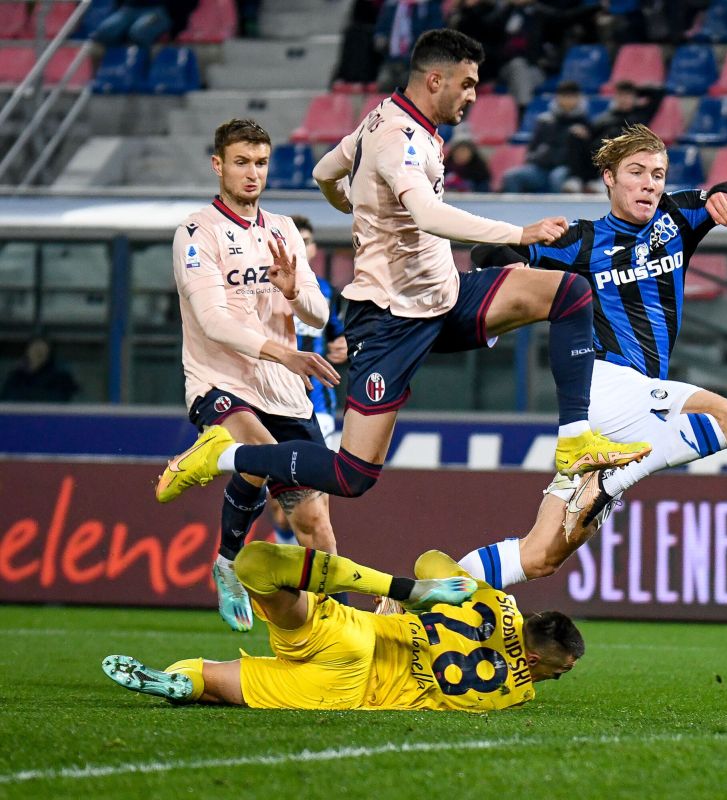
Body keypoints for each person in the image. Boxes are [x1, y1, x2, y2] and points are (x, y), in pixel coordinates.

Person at [155, 31, 650, 511]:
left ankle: (574, 439)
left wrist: (354, 205)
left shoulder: (381, 120)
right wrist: (520, 234)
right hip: (389, 319)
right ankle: (224, 455)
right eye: (468, 83)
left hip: (446, 297)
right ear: (435, 80)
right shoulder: (398, 137)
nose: (474, 96)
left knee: (570, 294)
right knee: (352, 476)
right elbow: (430, 217)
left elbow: (324, 171)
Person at [457, 124, 727, 589]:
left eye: (658, 174)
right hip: (607, 383)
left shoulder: (679, 216)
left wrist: (723, 194)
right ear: (608, 178)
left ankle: (414, 598)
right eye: (636, 172)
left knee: (538, 556)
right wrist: (508, 264)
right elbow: (487, 249)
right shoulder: (580, 241)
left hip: (625, 407)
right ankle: (610, 481)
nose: (649, 183)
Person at [169, 118, 343, 633]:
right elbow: (212, 321)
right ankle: (227, 562)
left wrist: (293, 290)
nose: (252, 173)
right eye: (241, 162)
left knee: (317, 529)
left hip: (286, 394)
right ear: (218, 165)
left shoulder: (284, 230)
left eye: (261, 163)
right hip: (220, 382)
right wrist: (284, 354)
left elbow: (316, 313)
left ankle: (326, 634)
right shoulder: (197, 233)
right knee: (259, 447)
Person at [101, 541, 582, 711]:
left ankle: (252, 576)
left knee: (264, 572)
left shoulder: (495, 603)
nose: (552, 680)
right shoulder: (516, 694)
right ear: (536, 659)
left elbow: (430, 559)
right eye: (558, 673)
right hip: (347, 691)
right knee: (209, 681)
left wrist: (465, 589)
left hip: (355, 631)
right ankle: (182, 681)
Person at [266, 215, 348, 548]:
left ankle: (312, 582)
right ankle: (286, 553)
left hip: (319, 409)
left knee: (317, 497)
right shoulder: (264, 287)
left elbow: (340, 342)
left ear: (312, 249)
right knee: (280, 503)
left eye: (308, 241)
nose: (304, 246)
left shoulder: (325, 293)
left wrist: (341, 348)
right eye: (296, 239)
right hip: (274, 403)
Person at [501, 80, 595, 194]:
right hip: (540, 167)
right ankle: (513, 211)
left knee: (556, 178)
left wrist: (585, 139)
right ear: (558, 97)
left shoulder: (585, 124)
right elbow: (532, 147)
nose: (568, 100)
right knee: (512, 177)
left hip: (566, 168)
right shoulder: (544, 121)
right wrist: (534, 158)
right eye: (564, 96)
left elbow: (589, 155)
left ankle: (558, 212)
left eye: (572, 96)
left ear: (579, 98)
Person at [0, 336, 80, 403]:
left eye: (41, 353)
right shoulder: (16, 376)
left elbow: (64, 398)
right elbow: (7, 398)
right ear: (27, 352)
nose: (37, 355)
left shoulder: (60, 376)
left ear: (48, 354)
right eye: (35, 351)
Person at [91, 0, 198, 49]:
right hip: (128, 9)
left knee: (139, 32)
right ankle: (114, 71)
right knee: (106, 32)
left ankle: (135, 70)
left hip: (157, 11)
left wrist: (176, 24)